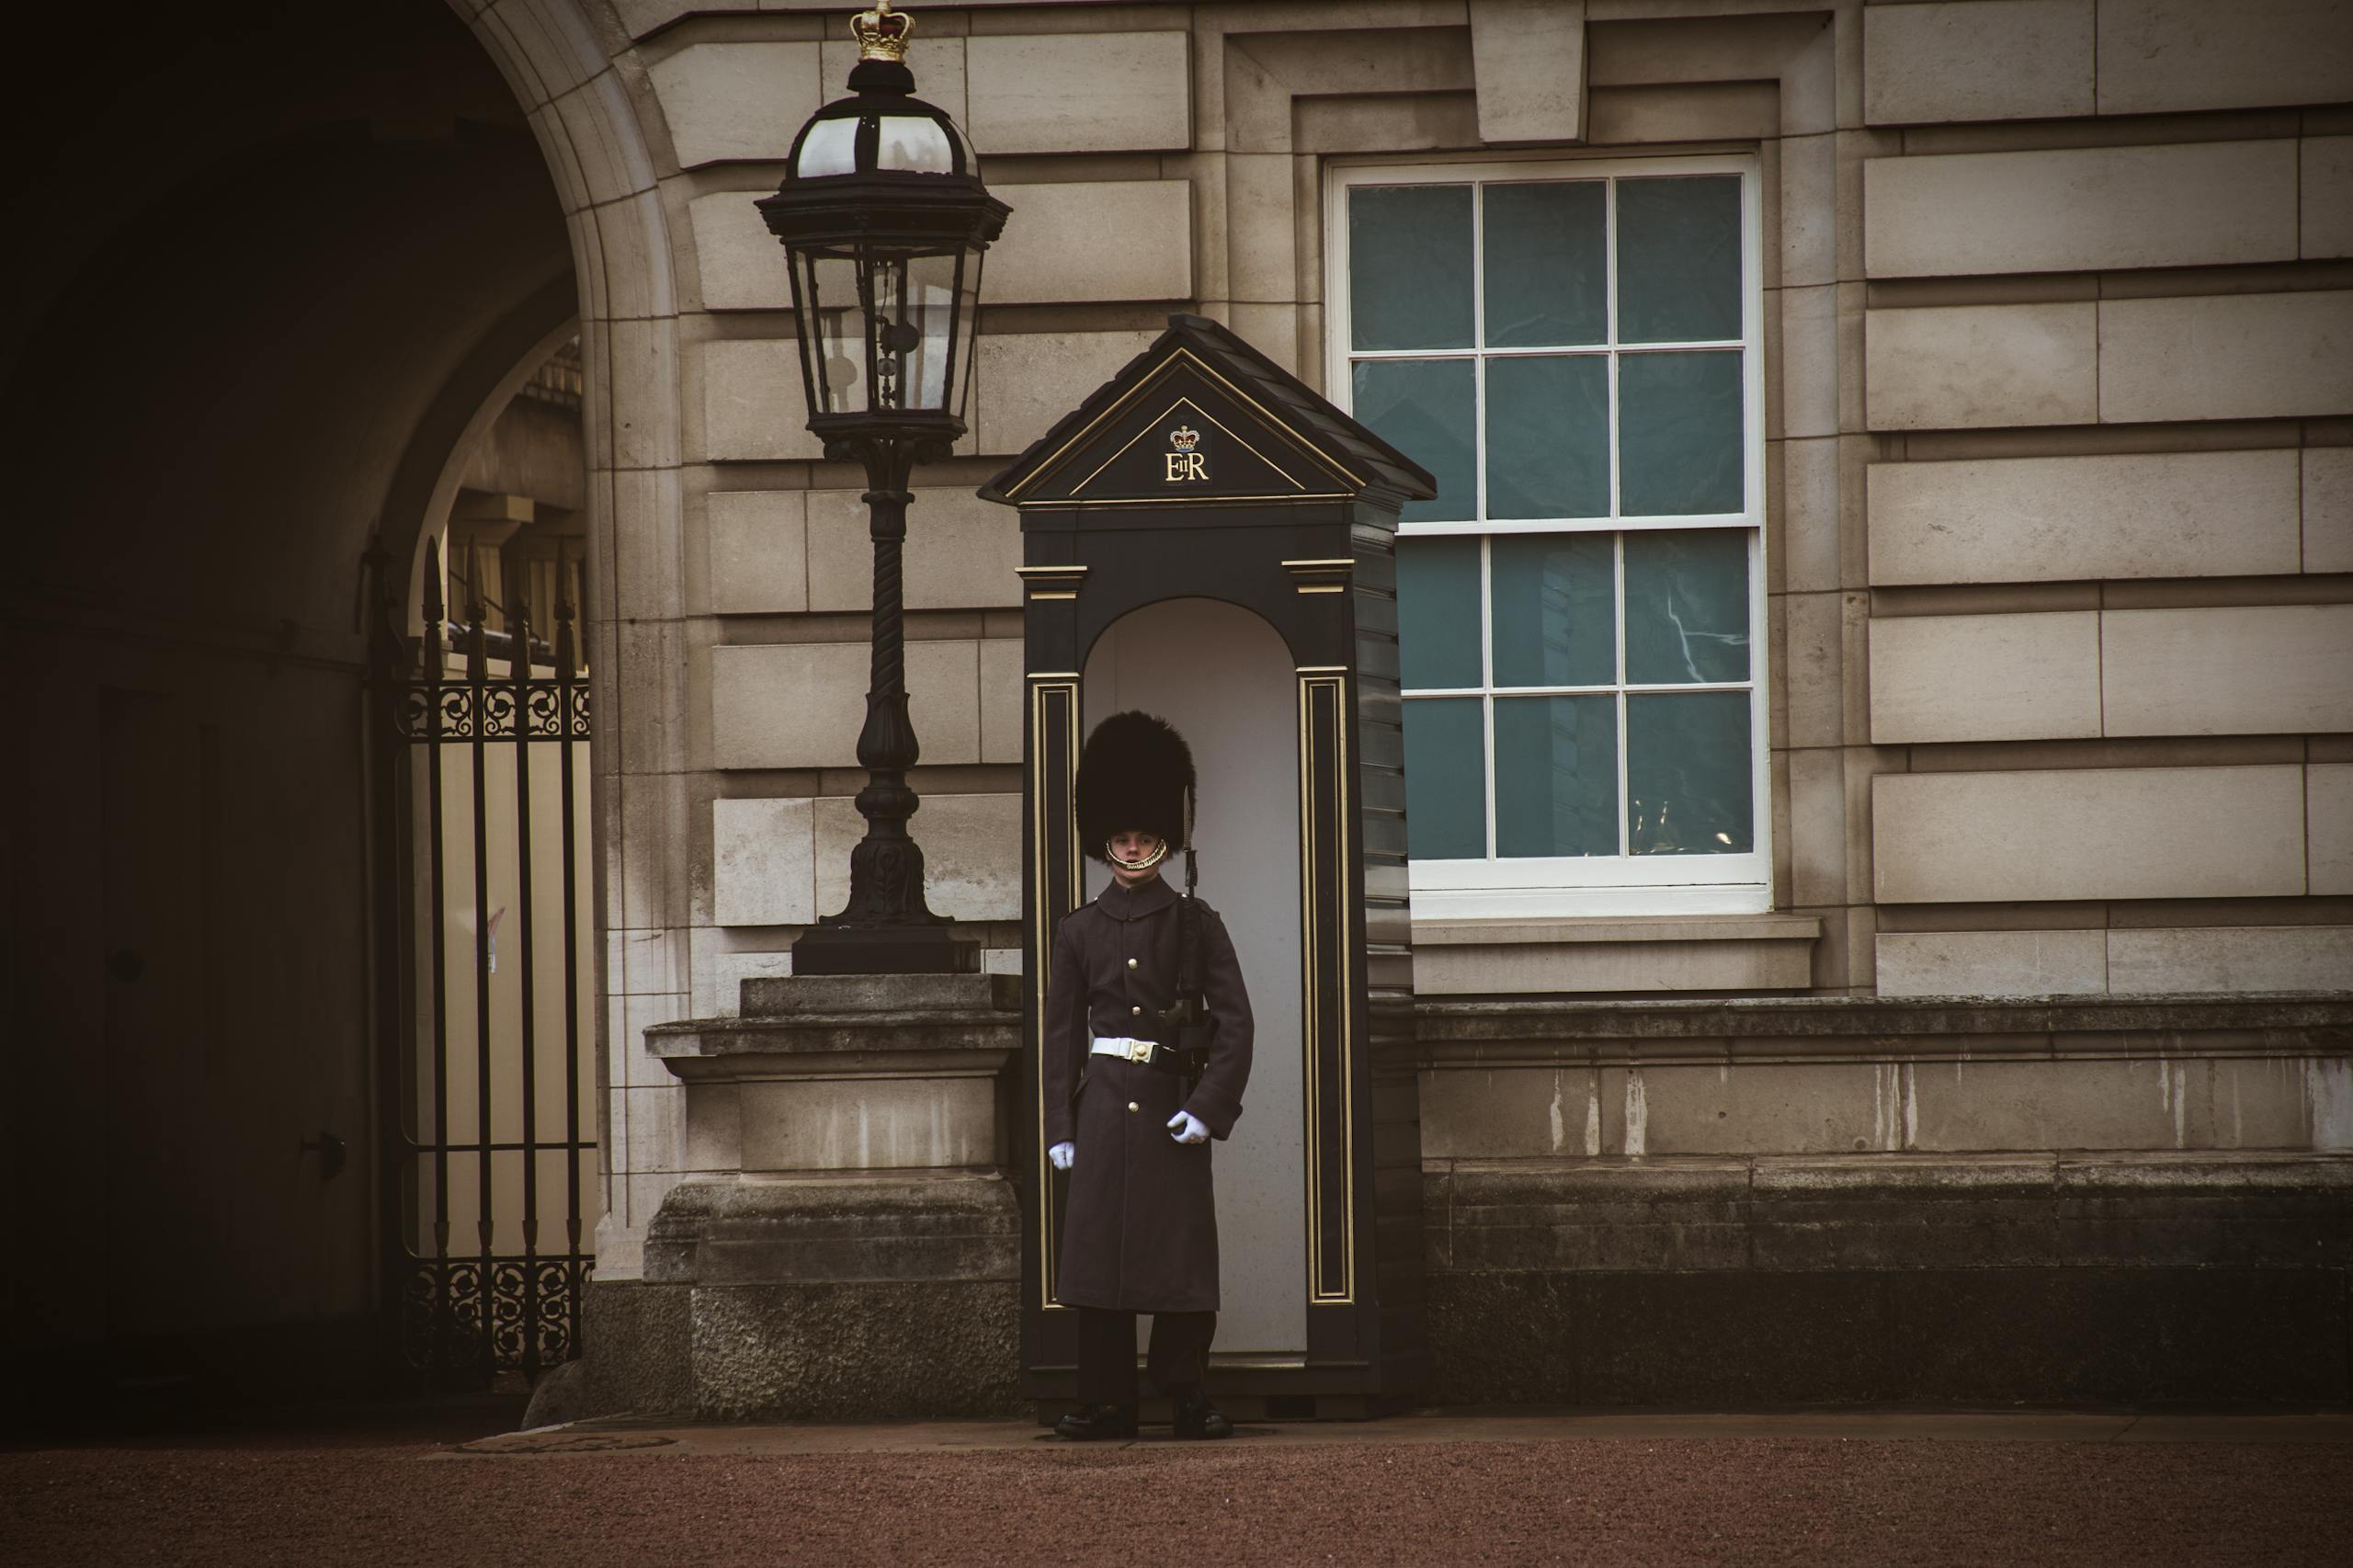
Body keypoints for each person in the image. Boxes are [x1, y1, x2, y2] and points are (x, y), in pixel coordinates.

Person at [1043, 710, 1255, 1441]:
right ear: (1106, 840)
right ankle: (1108, 1400)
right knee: (1099, 1258)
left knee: (1181, 1259)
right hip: (1102, 1106)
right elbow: (1061, 1036)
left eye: (1143, 836)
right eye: (1122, 837)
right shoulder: (1078, 930)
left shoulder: (1197, 924)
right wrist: (1060, 1126)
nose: (1132, 847)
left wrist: (1206, 1107)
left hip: (1171, 1105)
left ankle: (1185, 1392)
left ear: (1166, 835)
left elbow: (1236, 1025)